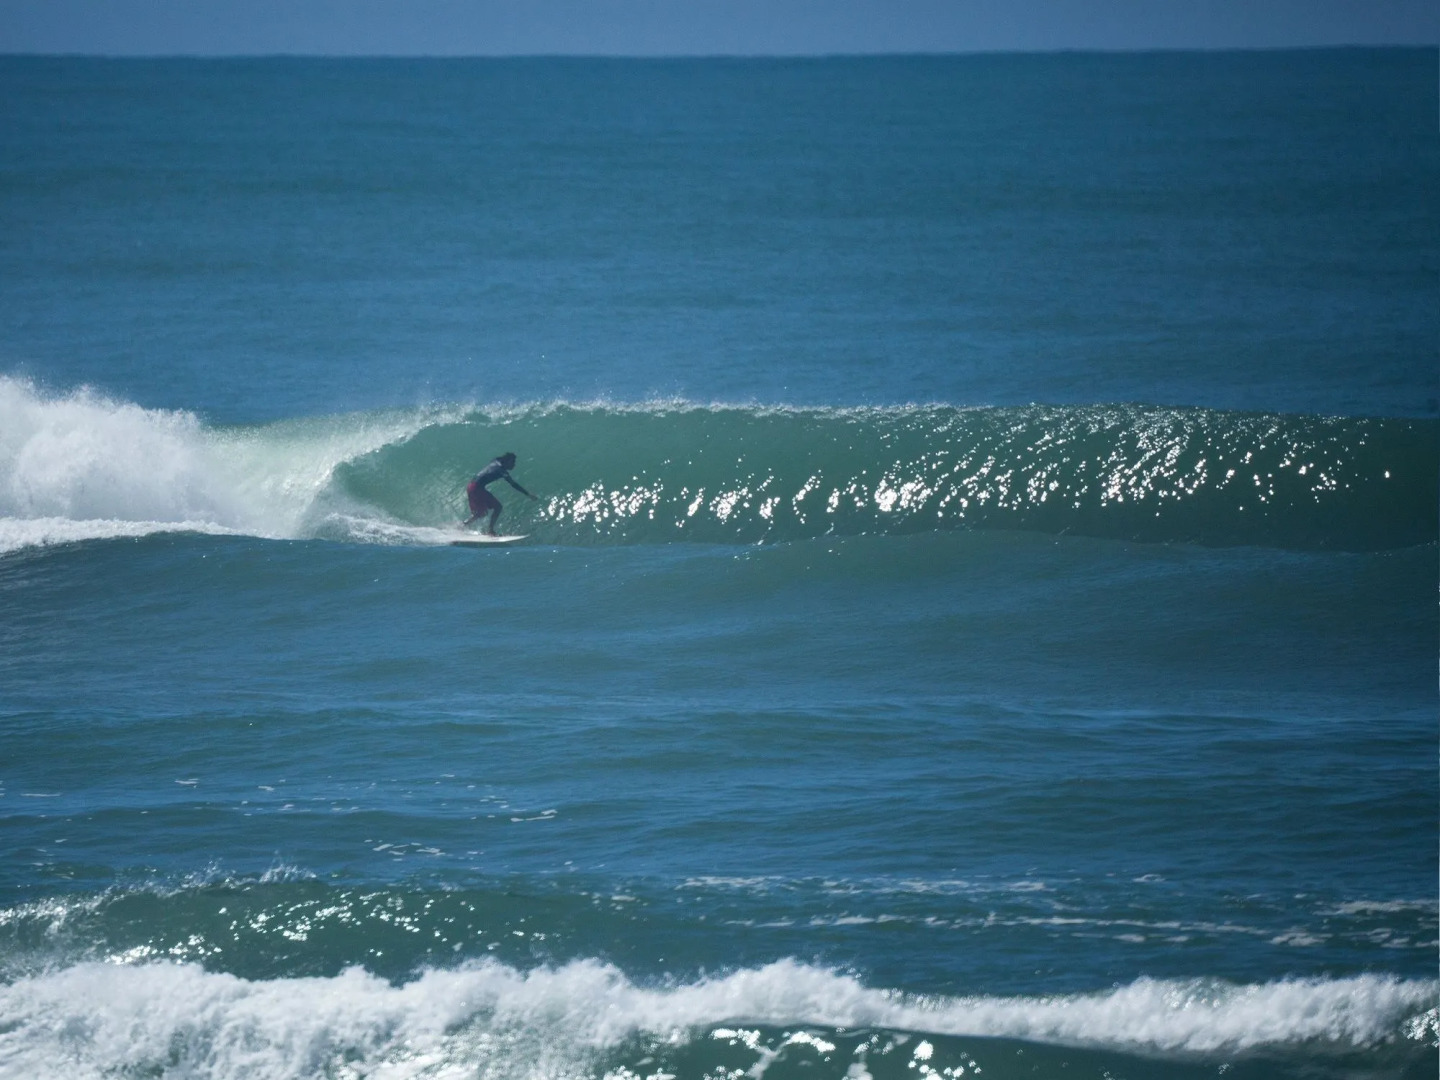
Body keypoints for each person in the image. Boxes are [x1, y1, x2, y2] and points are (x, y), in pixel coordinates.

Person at [462, 452, 537, 535]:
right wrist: (528, 494)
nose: (514, 465)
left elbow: (497, 460)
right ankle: (490, 531)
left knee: (480, 513)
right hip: (477, 488)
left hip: (471, 486)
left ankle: (463, 525)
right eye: (512, 462)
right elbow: (513, 484)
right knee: (498, 507)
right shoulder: (501, 471)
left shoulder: (495, 461)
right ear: (507, 461)